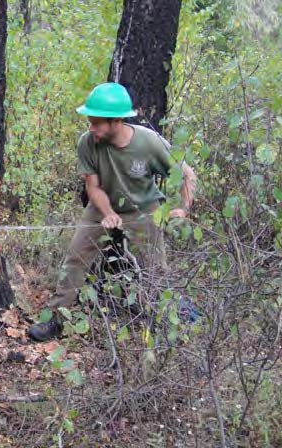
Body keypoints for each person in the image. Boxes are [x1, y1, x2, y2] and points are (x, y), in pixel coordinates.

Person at [27, 82, 196, 342]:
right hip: (101, 207)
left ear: (116, 120)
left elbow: (186, 175)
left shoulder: (148, 143)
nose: (90, 128)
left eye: (96, 123)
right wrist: (107, 212)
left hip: (143, 209)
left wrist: (183, 209)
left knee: (155, 269)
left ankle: (166, 319)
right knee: (75, 258)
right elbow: (92, 186)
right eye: (90, 121)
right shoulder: (87, 143)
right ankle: (54, 321)